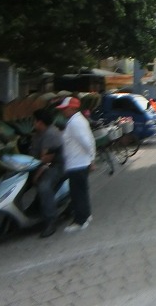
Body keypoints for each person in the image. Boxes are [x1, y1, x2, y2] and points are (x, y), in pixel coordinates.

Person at [56, 97, 95, 233]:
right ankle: (86, 215)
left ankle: (80, 220)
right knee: (82, 191)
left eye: (65, 109)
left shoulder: (75, 123)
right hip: (79, 162)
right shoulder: (79, 120)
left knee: (77, 193)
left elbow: (86, 142)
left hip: (77, 163)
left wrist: (91, 158)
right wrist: (91, 159)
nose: (63, 112)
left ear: (72, 109)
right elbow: (90, 140)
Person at [29, 108, 64, 238]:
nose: (32, 123)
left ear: (40, 122)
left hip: (56, 166)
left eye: (34, 120)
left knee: (44, 187)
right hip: (38, 165)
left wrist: (36, 175)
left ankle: (50, 220)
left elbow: (46, 160)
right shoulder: (37, 134)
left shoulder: (51, 134)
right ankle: (35, 208)